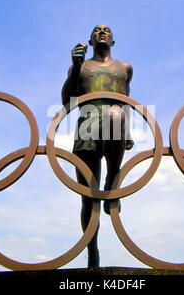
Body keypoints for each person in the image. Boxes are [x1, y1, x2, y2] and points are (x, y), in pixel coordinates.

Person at [61, 24, 134, 268]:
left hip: (114, 125)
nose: (101, 32)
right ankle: (92, 252)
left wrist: (127, 131)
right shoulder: (80, 67)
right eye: (96, 30)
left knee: (115, 114)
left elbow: (126, 102)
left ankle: (112, 180)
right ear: (90, 41)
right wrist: (75, 68)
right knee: (88, 199)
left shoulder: (124, 68)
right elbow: (66, 101)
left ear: (113, 40)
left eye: (107, 30)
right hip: (86, 129)